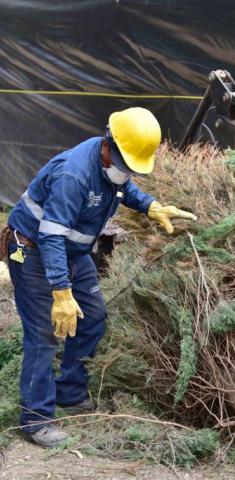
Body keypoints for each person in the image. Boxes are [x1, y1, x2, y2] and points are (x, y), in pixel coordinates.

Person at [4, 107, 196, 448]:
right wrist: (61, 293)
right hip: (34, 251)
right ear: (108, 146)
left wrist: (150, 205)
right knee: (45, 333)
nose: (128, 172)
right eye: (126, 165)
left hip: (74, 253)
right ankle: (35, 420)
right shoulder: (73, 176)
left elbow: (123, 190)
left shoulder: (111, 167)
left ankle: (70, 392)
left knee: (92, 318)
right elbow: (50, 235)